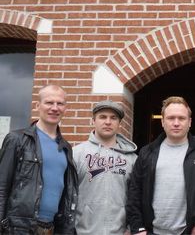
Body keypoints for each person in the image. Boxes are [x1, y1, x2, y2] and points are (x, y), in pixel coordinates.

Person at [126, 96, 195, 235]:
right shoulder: (147, 152)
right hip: (152, 231)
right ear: (162, 121)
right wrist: (138, 227)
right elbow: (134, 191)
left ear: (189, 122)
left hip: (189, 231)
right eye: (171, 118)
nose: (176, 123)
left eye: (181, 118)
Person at [0, 85, 78, 234]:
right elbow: (1, 187)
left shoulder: (66, 147)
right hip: (19, 228)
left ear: (65, 108)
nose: (55, 108)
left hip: (51, 228)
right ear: (38, 106)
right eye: (49, 102)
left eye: (60, 103)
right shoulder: (17, 139)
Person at [73, 100, 137, 235]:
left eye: (113, 118)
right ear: (93, 121)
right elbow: (67, 196)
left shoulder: (132, 159)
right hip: (82, 231)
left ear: (119, 123)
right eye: (103, 117)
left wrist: (132, 227)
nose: (108, 122)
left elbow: (137, 197)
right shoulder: (76, 154)